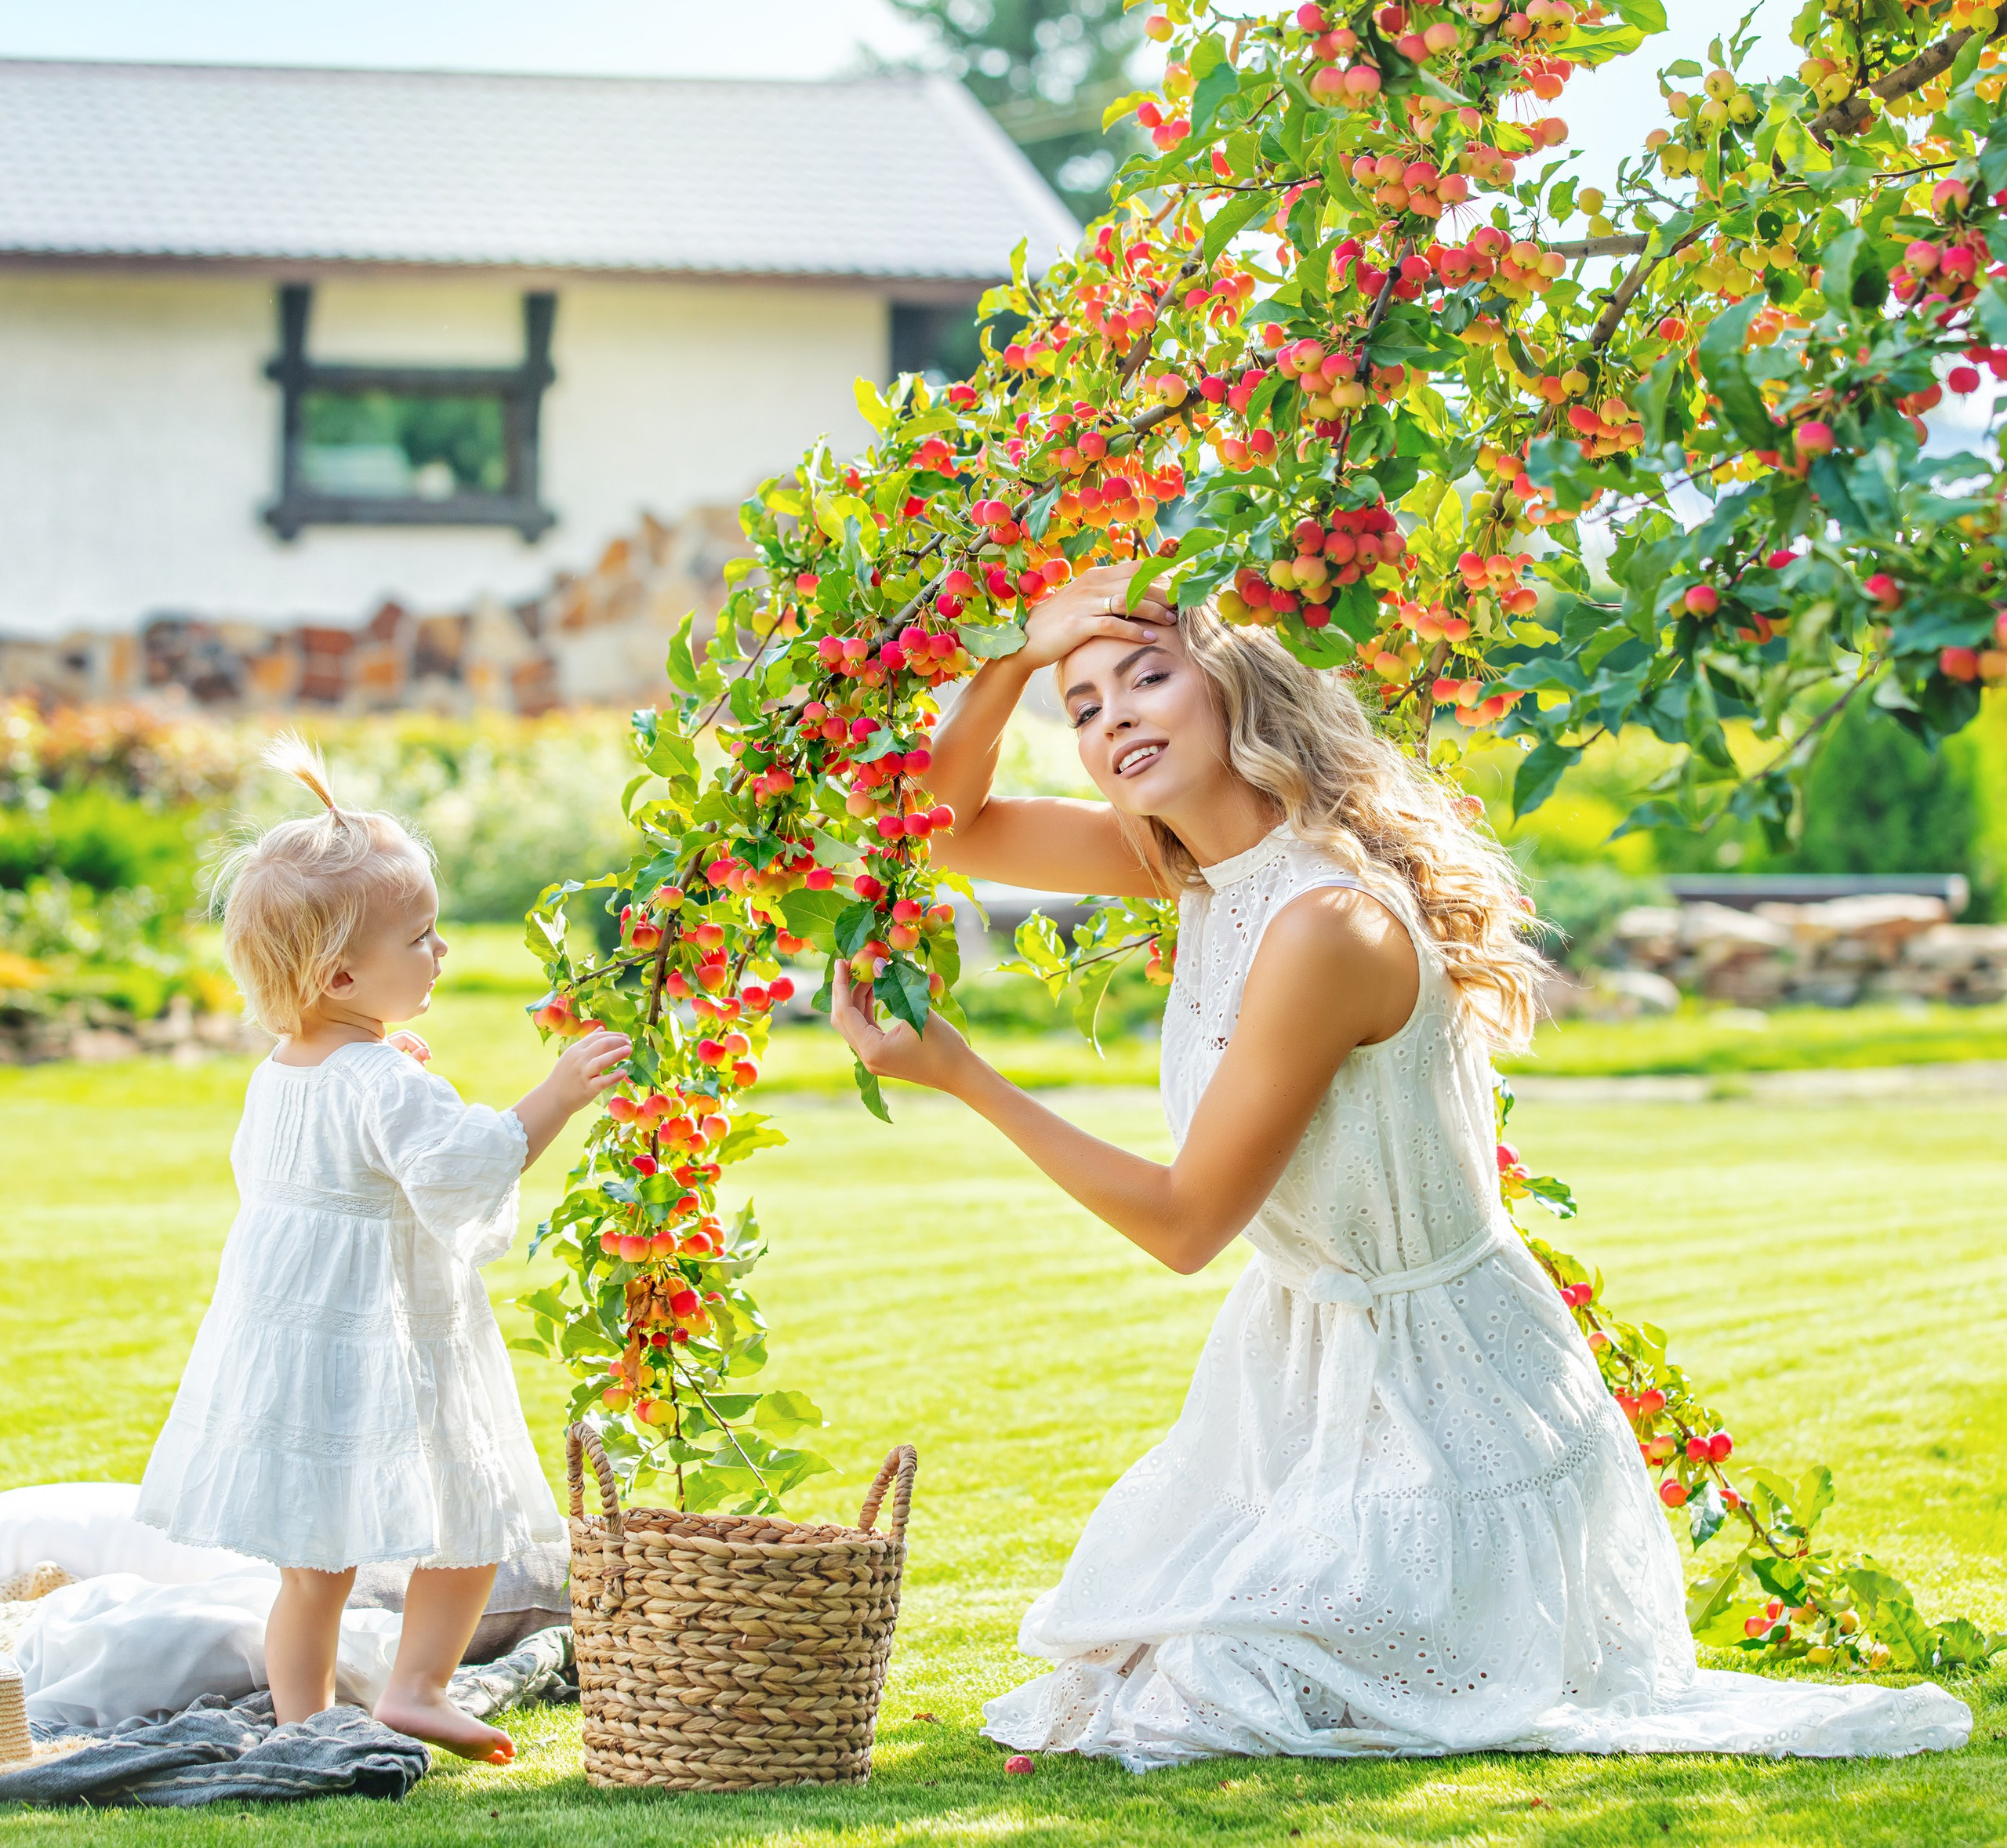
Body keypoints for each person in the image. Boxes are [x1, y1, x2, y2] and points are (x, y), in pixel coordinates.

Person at [829, 565, 1971, 1770]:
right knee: (1145, 1667)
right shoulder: (1201, 866)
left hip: (1449, 1409)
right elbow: (936, 827)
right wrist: (1013, 656)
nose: (1114, 721)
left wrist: (963, 1074)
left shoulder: (1325, 922)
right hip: (1305, 1383)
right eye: (1085, 706)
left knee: (1211, 1693)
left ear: (1235, 686)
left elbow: (1184, 1224)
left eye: (1146, 679)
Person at [135, 737, 630, 1762]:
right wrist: (557, 1095)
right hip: (390, 1334)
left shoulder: (289, 1069)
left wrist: (382, 1057)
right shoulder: (383, 1082)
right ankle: (416, 1684)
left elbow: (328, 1163)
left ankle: (303, 1719)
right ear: (342, 974)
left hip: (300, 1343)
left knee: (312, 1563)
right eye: (422, 937)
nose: (441, 952)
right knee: (472, 1512)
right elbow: (465, 1164)